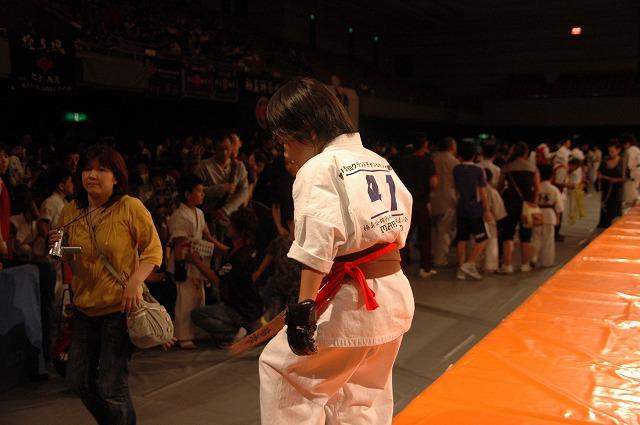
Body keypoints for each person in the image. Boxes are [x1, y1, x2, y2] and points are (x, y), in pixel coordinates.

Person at [258, 78, 414, 425]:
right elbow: (402, 219)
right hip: (393, 293)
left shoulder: (319, 167)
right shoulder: (376, 160)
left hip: (353, 302)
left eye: (284, 140)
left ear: (308, 130)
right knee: (359, 401)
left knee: (283, 375)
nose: (284, 152)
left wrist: (303, 310)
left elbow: (318, 240)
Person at [49, 145, 167, 425]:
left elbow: (153, 251)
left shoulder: (129, 207)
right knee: (78, 380)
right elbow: (66, 256)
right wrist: (57, 248)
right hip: (84, 309)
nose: (92, 175)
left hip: (118, 309)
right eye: (87, 169)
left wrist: (135, 281)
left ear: (116, 177)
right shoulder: (70, 210)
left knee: (112, 387)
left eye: (101, 169)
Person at [188, 207, 263, 346]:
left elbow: (216, 279)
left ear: (239, 231)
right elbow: (226, 251)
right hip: (252, 307)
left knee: (198, 314)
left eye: (231, 224)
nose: (228, 226)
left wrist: (196, 261)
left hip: (241, 309)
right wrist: (208, 237)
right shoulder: (248, 249)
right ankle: (245, 327)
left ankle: (234, 333)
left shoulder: (238, 258)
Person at [167, 174, 219, 349]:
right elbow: (178, 243)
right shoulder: (179, 215)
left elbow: (206, 234)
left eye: (202, 191)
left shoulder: (199, 213)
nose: (202, 194)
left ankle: (196, 331)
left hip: (197, 260)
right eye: (198, 191)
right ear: (187, 194)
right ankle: (183, 336)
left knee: (198, 297)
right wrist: (180, 267)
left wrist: (221, 248)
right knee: (185, 299)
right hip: (184, 262)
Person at [396, 135, 438, 278]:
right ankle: (425, 268)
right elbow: (434, 182)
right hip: (422, 202)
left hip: (405, 203)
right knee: (425, 236)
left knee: (404, 237)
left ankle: (400, 266)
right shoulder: (428, 161)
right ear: (425, 145)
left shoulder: (404, 160)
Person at [498, 142, 540, 274]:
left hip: (510, 203)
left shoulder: (507, 167)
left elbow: (499, 186)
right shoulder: (532, 167)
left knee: (508, 233)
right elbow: (537, 187)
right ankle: (525, 264)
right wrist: (534, 203)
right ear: (526, 153)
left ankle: (507, 265)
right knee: (526, 235)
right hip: (527, 203)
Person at [453, 142, 491, 280]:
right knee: (482, 239)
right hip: (475, 209)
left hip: (461, 207)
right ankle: (469, 264)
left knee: (462, 239)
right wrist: (487, 210)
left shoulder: (456, 169)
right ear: (474, 155)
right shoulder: (478, 170)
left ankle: (460, 270)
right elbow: (483, 192)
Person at [430, 137, 459, 266]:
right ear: (452, 147)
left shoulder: (432, 159)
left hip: (431, 199)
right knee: (444, 231)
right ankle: (440, 258)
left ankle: (431, 253)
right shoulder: (454, 162)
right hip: (448, 200)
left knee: (432, 230)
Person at [534, 165, 564, 267]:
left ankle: (533, 258)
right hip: (549, 214)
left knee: (535, 237)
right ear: (552, 176)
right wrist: (558, 217)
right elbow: (559, 206)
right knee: (548, 240)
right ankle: (547, 262)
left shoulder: (536, 187)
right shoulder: (554, 189)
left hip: (536, 213)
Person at [483, 168, 507, 273]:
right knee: (491, 242)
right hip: (490, 218)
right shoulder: (492, 192)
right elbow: (499, 209)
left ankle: (476, 263)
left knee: (475, 242)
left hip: (476, 218)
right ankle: (490, 266)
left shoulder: (473, 190)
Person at [598, 139, 625, 228]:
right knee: (605, 211)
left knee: (615, 213)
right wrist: (600, 177)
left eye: (612, 151)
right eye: (609, 151)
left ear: (618, 150)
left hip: (617, 191)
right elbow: (599, 172)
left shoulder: (622, 162)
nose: (610, 153)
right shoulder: (605, 161)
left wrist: (616, 180)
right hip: (606, 191)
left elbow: (625, 178)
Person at [622, 133, 640, 207]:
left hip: (633, 172)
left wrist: (627, 175)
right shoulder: (637, 149)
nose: (623, 146)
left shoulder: (629, 150)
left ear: (627, 143)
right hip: (637, 171)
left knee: (630, 190)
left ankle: (633, 204)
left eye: (624, 144)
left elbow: (629, 163)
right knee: (634, 189)